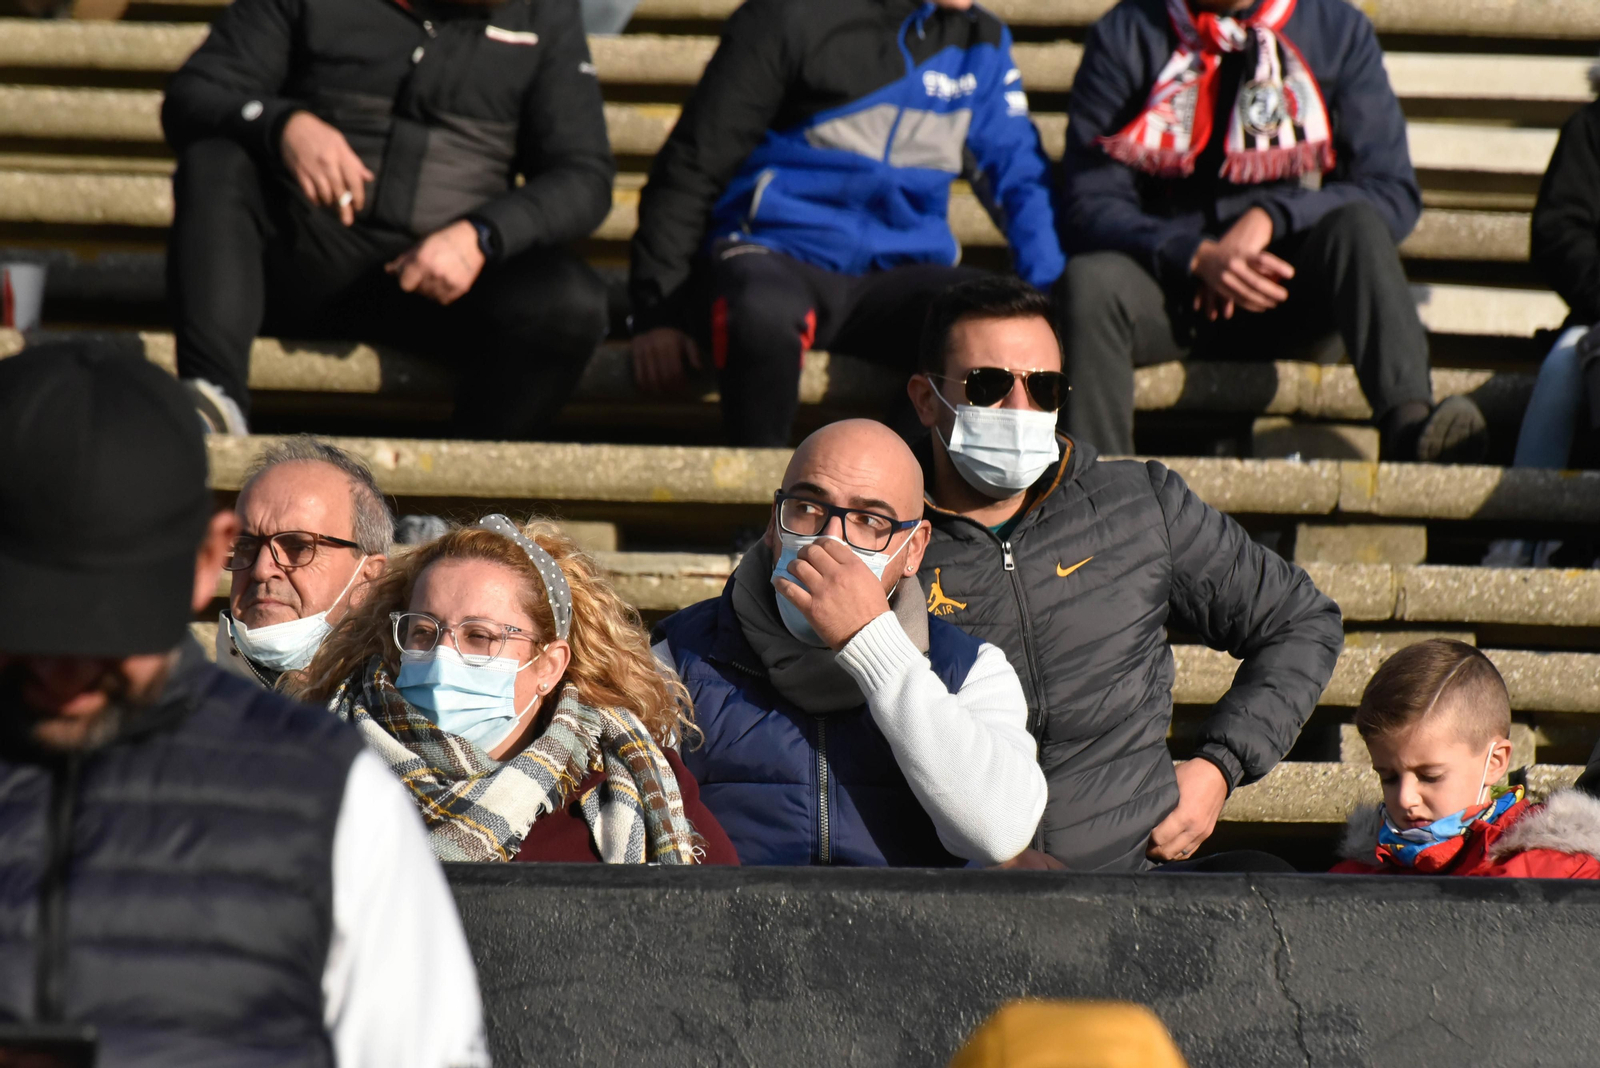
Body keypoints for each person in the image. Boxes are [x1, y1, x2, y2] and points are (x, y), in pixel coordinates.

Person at [0, 341, 487, 1067]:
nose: (68, 668)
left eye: (106, 626)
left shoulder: (332, 793)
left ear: (201, 561)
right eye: (33, 621)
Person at [906, 276, 1343, 870]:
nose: (1019, 408)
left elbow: (1300, 620)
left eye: (1044, 388)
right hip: (957, 901)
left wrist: (1219, 767)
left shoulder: (1140, 504)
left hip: (1134, 888)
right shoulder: (883, 539)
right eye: (988, 386)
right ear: (926, 398)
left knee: (1271, 885)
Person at [1057, 0, 1487, 463]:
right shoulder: (1128, 31)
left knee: (1358, 226)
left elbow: (1391, 190)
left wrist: (1271, 218)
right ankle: (1096, 492)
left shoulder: (1335, 27)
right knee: (1088, 283)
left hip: (1289, 290)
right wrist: (1195, 255)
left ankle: (1411, 433)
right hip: (1171, 297)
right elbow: (1089, 201)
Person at [161, 0, 614, 437]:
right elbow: (195, 94)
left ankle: (462, 501)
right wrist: (283, 125)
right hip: (295, 263)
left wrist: (482, 235)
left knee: (571, 304)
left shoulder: (546, 11)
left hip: (444, 287)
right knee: (215, 159)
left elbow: (584, 177)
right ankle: (216, 403)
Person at [628, 0, 1065, 447]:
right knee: (760, 310)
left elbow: (1021, 180)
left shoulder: (981, 40)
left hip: (899, 275)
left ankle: (888, 495)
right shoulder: (788, 15)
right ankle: (762, 510)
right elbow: (692, 163)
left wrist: (1047, 301)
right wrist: (658, 311)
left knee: (982, 326)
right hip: (774, 256)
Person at [652, 419, 1048, 866]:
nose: (830, 539)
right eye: (807, 507)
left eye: (868, 520)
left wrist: (869, 640)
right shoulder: (677, 660)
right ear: (774, 523)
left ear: (914, 549)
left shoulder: (971, 670)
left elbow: (999, 832)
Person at [292, 515, 739, 865]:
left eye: (480, 637)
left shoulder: (624, 783)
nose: (442, 655)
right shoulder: (321, 764)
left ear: (548, 664)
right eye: (423, 632)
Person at [1331, 639, 1600, 878]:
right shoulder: (1356, 878)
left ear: (1495, 762)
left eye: (1430, 776)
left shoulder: (1561, 873)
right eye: (1389, 778)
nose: (1405, 798)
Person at [1485, 72, 1600, 567]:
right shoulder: (1591, 130)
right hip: (1595, 318)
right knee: (1562, 369)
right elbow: (1556, 233)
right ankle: (1520, 542)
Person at [217, 437, 391, 688]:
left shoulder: (399, 721)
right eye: (246, 546)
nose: (261, 569)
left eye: (298, 546)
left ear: (368, 578)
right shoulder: (169, 716)